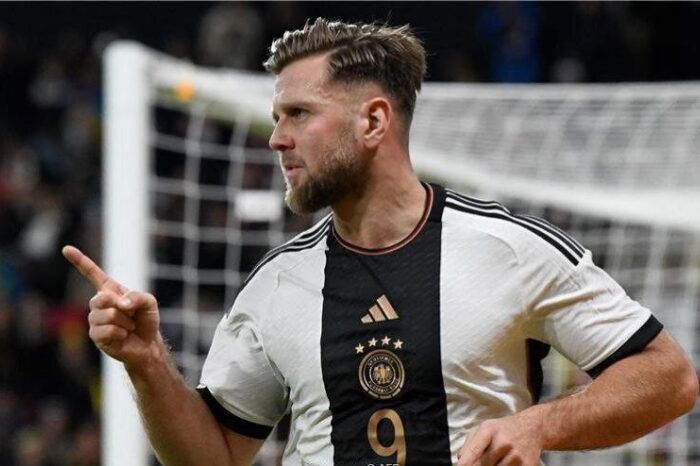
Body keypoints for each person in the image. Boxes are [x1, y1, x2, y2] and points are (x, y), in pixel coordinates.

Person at [62, 18, 698, 466]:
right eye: (277, 117)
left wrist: (539, 425)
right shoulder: (276, 284)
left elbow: (668, 377)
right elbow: (215, 456)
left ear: (373, 121)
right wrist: (147, 363)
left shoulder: (507, 248)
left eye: (298, 114)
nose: (276, 138)